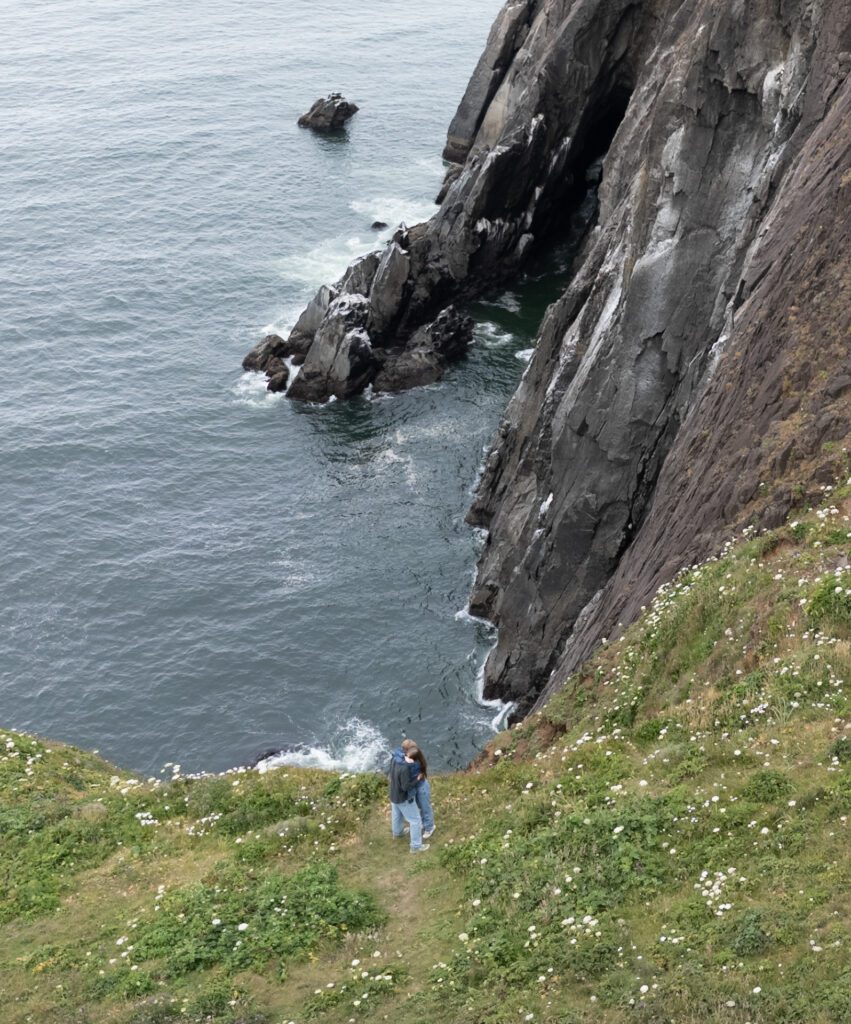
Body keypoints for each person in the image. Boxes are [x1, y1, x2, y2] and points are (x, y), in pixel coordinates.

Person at [388, 742, 429, 853]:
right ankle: (416, 846)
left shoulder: (395, 759)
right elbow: (406, 787)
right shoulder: (405, 768)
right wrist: (418, 779)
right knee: (415, 820)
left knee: (396, 814)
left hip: (393, 793)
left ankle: (398, 832)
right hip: (404, 798)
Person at [402, 738, 434, 838]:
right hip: (416, 787)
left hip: (421, 787)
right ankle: (421, 824)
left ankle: (429, 827)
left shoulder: (415, 763)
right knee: (419, 807)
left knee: (425, 807)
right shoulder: (414, 759)